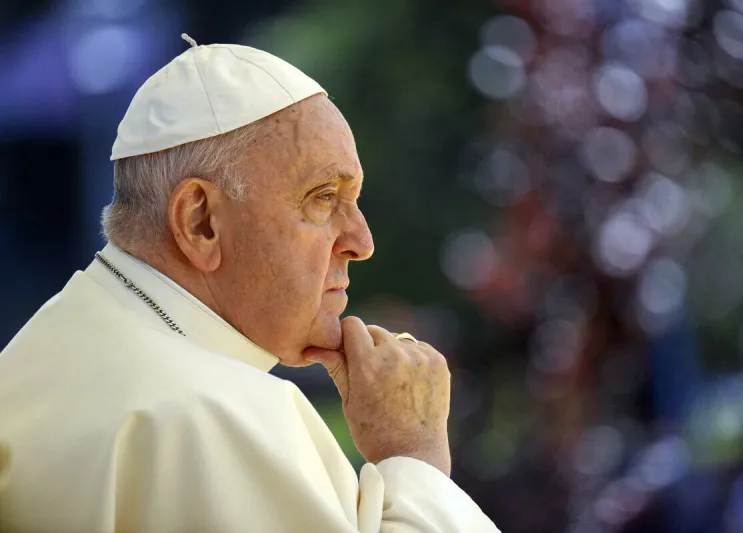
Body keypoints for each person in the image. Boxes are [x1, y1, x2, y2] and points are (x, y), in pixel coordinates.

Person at [0, 35, 499, 532]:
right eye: (324, 197)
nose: (361, 242)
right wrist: (413, 454)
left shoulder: (40, 348)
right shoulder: (217, 415)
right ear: (200, 222)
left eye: (354, 200)